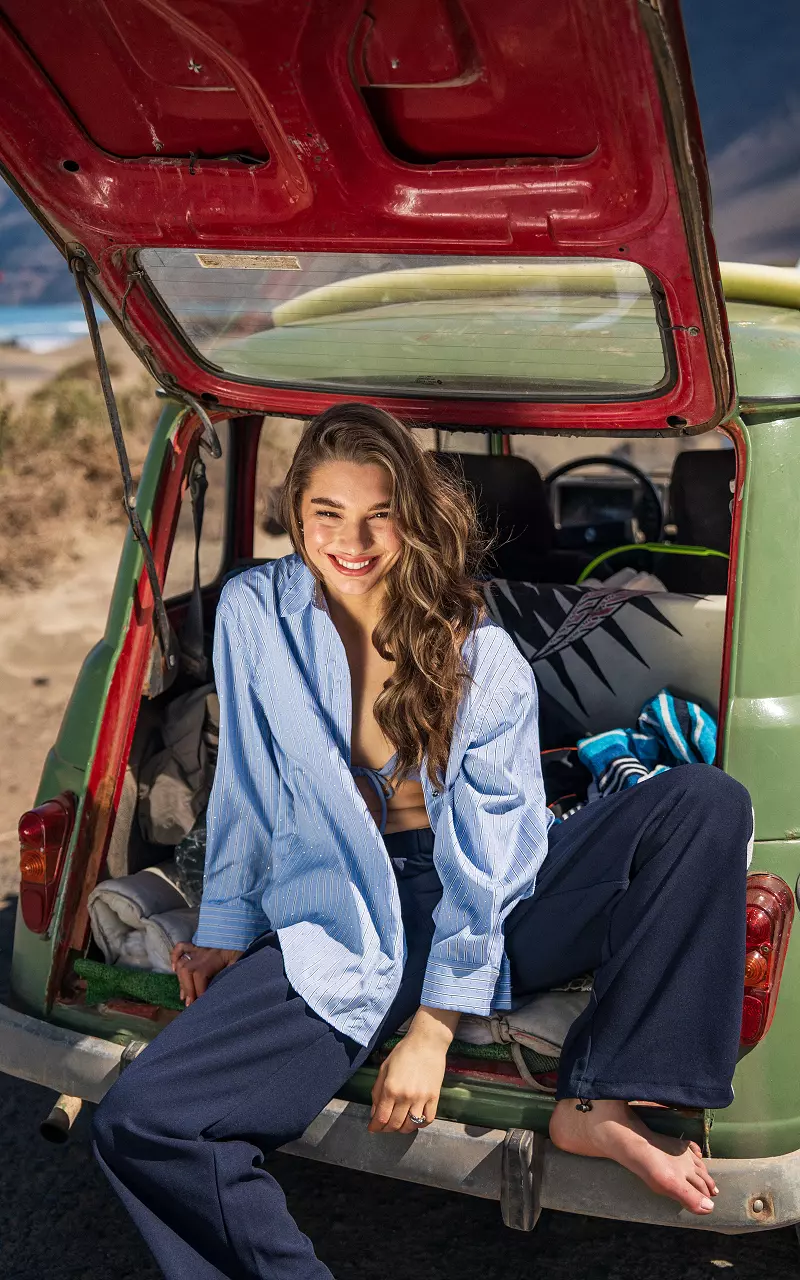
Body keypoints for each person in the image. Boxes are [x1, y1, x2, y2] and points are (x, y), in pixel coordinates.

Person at [93, 403, 751, 1278]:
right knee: (145, 1118)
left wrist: (435, 1028)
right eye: (328, 514)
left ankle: (597, 1101)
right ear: (297, 513)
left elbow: (494, 857)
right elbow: (249, 784)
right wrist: (221, 926)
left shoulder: (480, 655)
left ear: (413, 516)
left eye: (379, 515)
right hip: (345, 904)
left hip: (492, 895)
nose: (352, 541)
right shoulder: (256, 611)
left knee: (703, 800)